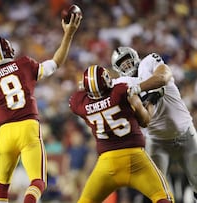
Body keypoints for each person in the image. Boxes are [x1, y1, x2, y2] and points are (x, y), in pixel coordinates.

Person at [0, 12, 82, 203]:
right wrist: (68, 34)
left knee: (2, 185)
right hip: (28, 127)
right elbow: (55, 63)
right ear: (9, 52)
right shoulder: (24, 64)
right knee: (38, 181)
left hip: (5, 132)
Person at [69, 65, 174, 203]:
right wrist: (151, 103)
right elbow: (145, 121)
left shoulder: (78, 103)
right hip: (135, 158)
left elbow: (81, 95)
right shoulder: (120, 92)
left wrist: (88, 88)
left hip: (106, 163)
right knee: (163, 197)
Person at [111, 46, 197, 202]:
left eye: (127, 59)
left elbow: (163, 77)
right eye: (121, 63)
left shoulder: (149, 61)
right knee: (156, 194)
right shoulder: (121, 84)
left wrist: (137, 88)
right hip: (156, 141)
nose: (126, 64)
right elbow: (143, 120)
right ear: (117, 68)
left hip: (185, 133)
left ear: (135, 56)